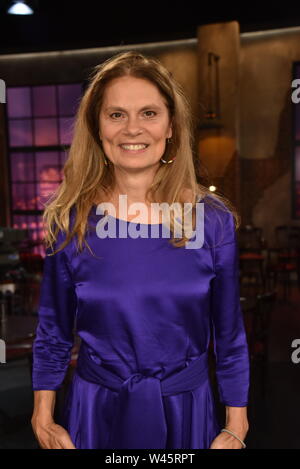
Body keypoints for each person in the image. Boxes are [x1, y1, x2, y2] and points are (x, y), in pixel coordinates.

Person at [31, 51, 250, 450]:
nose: (133, 129)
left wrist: (236, 423)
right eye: (116, 115)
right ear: (98, 128)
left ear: (171, 127)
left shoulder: (212, 220)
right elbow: (53, 330)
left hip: (186, 407)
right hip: (97, 408)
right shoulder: (69, 221)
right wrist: (42, 414)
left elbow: (230, 333)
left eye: (148, 113)